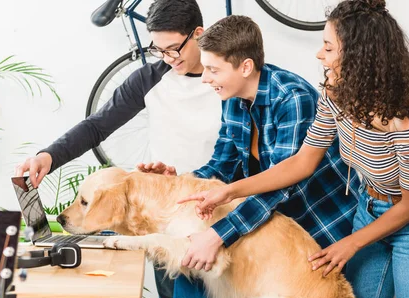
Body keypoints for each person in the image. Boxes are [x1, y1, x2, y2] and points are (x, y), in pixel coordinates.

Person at [181, 0, 409, 298]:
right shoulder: (335, 93)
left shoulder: (406, 115)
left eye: (328, 47)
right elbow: (300, 164)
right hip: (370, 207)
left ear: (360, 53)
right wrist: (231, 188)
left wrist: (350, 244)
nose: (318, 53)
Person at [14, 1, 222, 298]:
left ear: (198, 33)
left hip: (220, 214)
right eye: (158, 49)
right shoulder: (149, 78)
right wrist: (48, 156)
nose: (167, 58)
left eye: (173, 48)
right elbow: (98, 125)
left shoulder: (224, 77)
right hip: (165, 221)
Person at [144, 14, 359, 280]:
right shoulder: (232, 96)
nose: (205, 79)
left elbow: (281, 184)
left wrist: (218, 235)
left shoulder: (292, 98)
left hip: (326, 228)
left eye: (214, 69)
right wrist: (176, 184)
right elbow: (221, 165)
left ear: (245, 67)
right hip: (282, 234)